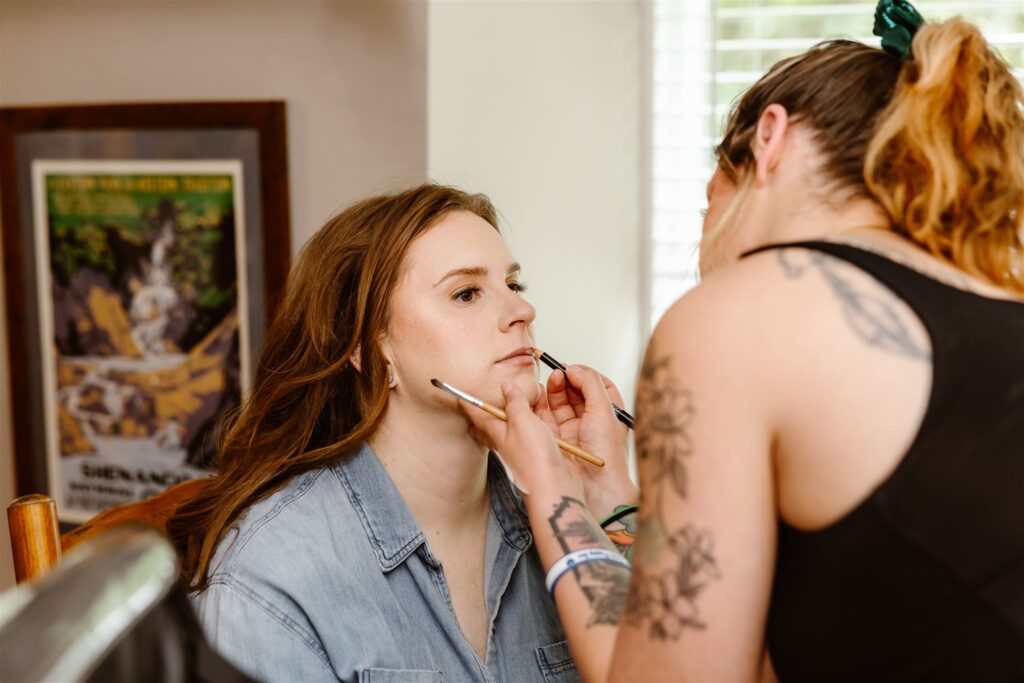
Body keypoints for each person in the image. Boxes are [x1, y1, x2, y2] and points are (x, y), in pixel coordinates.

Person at [463, 3, 1024, 681]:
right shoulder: (996, 309)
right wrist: (611, 491)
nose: (704, 238)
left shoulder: (737, 316)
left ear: (771, 138)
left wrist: (550, 490)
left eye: (711, 195)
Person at [166, 184, 637, 682]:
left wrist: (604, 501)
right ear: (369, 350)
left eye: (514, 285)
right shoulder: (272, 574)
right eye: (466, 293)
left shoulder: (568, 531)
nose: (524, 311)